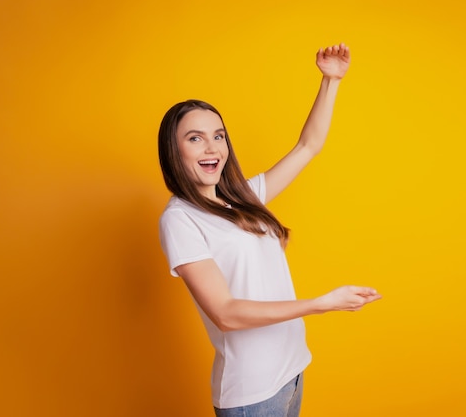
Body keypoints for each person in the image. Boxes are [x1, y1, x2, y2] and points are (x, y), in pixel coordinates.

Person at [158, 43, 382, 417]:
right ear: (173, 150)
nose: (212, 147)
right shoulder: (180, 219)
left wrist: (330, 81)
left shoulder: (242, 197)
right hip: (253, 392)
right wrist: (320, 305)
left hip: (291, 371)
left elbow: (308, 147)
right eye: (194, 138)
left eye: (218, 135)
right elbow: (226, 313)